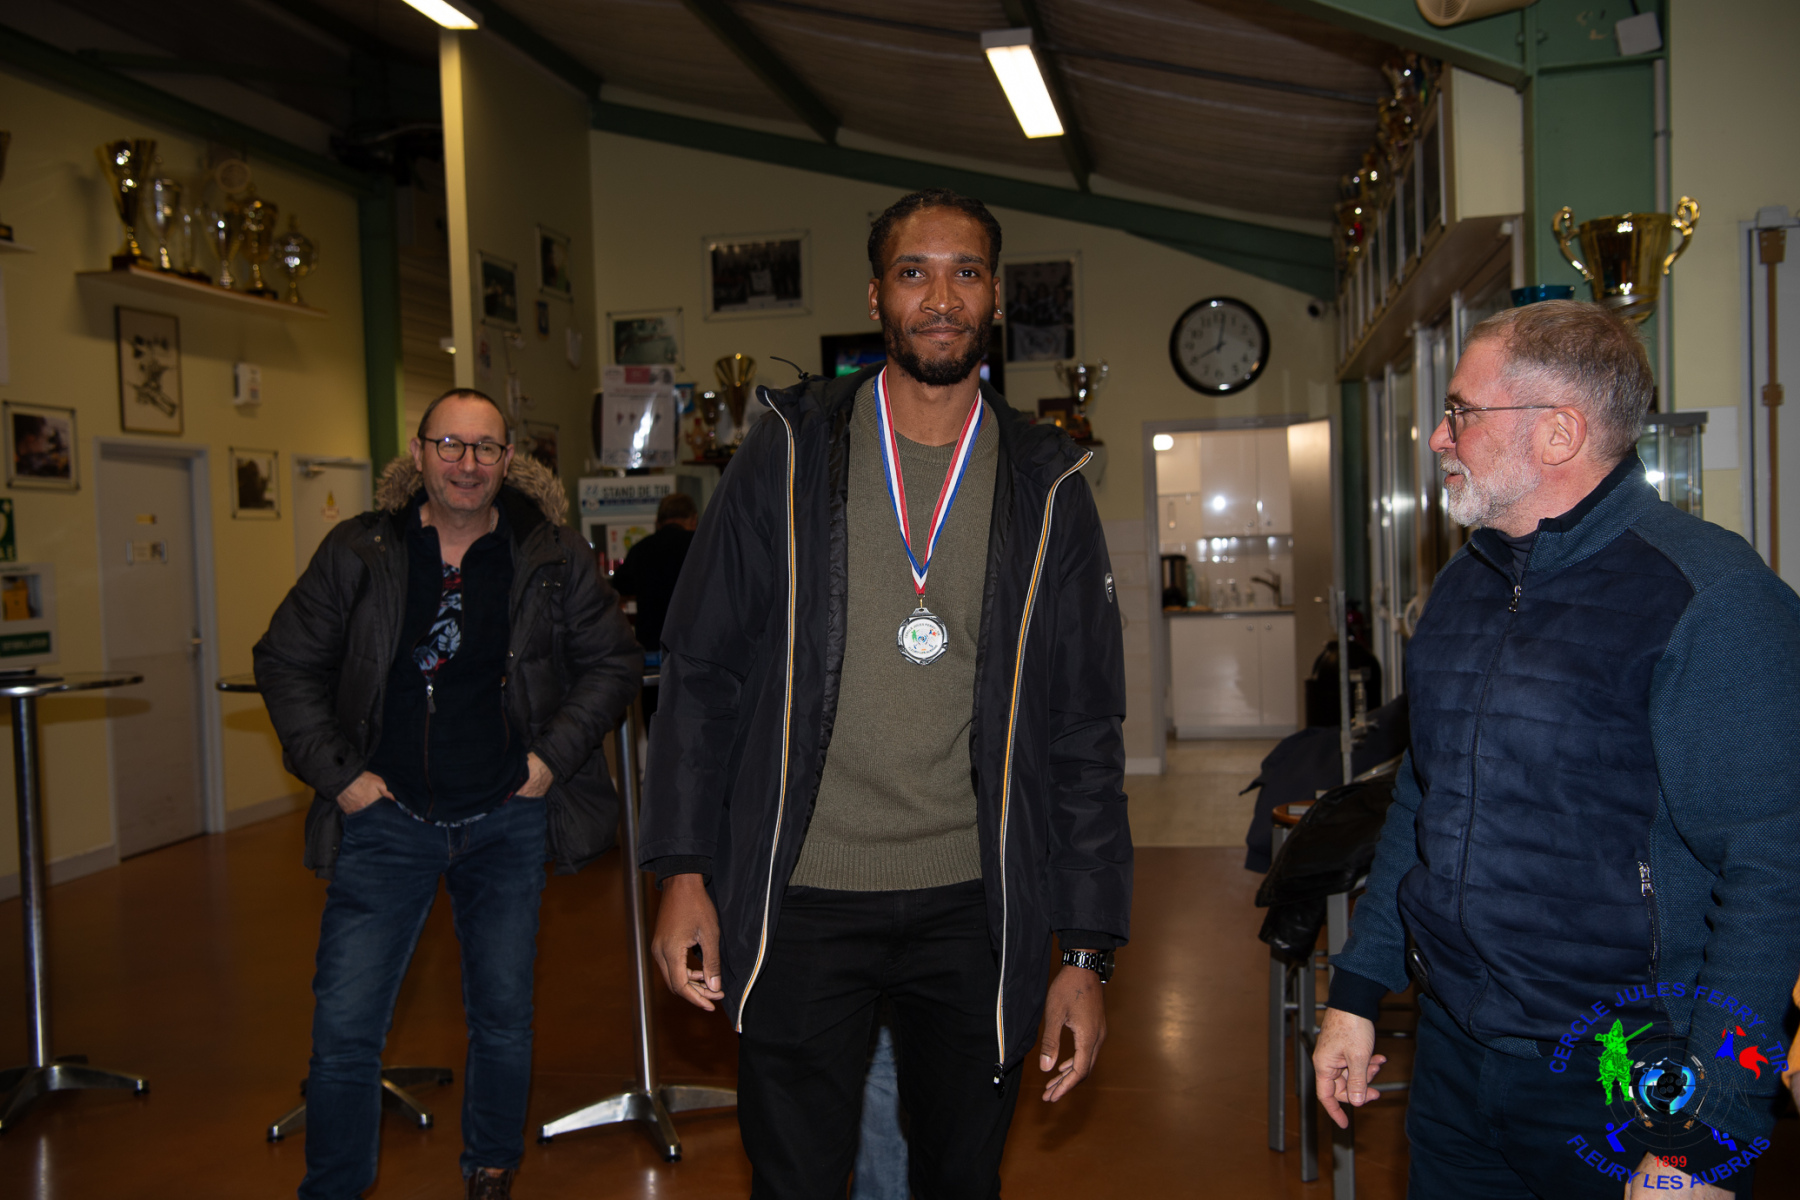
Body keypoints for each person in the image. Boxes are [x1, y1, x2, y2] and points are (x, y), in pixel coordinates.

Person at [640, 187, 1132, 1198]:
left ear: (996, 296)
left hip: (974, 904)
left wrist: (1085, 954)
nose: (940, 298)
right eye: (915, 273)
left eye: (965, 273)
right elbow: (702, 670)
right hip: (803, 893)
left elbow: (1085, 730)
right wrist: (683, 869)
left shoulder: (1048, 486)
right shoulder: (786, 453)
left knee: (962, 1178)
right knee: (795, 1182)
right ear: (877, 296)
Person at [1311, 301, 1800, 1199]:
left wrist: (1708, 1131)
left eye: (1461, 411)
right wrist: (1357, 991)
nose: (1439, 436)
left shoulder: (1713, 600)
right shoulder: (1463, 585)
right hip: (1456, 1057)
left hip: (1632, 1075)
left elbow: (1774, 874)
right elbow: (1422, 799)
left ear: (1559, 433)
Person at [254, 388, 640, 1200]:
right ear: (420, 453)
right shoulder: (360, 550)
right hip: (385, 822)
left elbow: (612, 663)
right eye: (450, 445)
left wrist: (549, 760)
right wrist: (340, 777)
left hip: (505, 820)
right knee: (345, 1029)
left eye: (485, 447)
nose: (468, 464)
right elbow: (285, 660)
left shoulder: (552, 555)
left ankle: (491, 1170)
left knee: (502, 1018)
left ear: (509, 459)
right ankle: (334, 1188)